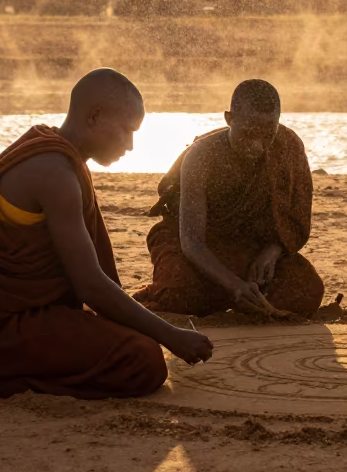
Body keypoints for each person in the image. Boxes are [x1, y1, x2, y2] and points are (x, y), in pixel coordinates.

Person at [0, 68, 212, 399]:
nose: (130, 144)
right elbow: (91, 286)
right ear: (94, 116)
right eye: (126, 131)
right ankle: (8, 375)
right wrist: (173, 335)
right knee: (144, 360)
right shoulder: (55, 174)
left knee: (128, 335)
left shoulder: (52, 151)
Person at [136, 79, 324, 318]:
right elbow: (192, 242)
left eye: (268, 136)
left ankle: (236, 295)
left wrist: (272, 251)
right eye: (248, 134)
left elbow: (295, 219)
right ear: (229, 119)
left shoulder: (288, 146)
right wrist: (234, 285)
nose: (258, 146)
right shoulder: (201, 157)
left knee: (307, 290)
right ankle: (230, 294)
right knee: (179, 293)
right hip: (196, 248)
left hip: (250, 248)